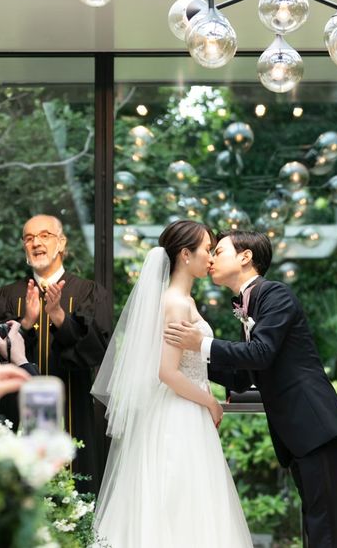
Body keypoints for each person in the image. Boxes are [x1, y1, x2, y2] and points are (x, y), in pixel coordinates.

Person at [165, 230, 337, 548]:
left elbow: (261, 353)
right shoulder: (248, 305)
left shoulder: (275, 294)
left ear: (245, 256)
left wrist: (202, 344)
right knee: (317, 525)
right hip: (301, 432)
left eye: (219, 251)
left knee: (326, 530)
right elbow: (242, 377)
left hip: (316, 425)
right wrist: (186, 361)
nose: (211, 259)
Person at [92, 220, 252, 547]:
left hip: (185, 408)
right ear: (185, 254)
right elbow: (167, 371)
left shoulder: (184, 300)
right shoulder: (177, 303)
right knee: (179, 497)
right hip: (179, 413)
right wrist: (211, 402)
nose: (210, 257)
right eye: (206, 249)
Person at [0, 214, 111, 494]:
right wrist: (26, 323)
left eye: (45, 235)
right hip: (18, 410)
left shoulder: (88, 292)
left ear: (62, 243)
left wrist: (58, 316)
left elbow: (97, 350)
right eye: (29, 238)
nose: (36, 243)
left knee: (74, 493)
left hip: (72, 408)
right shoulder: (7, 295)